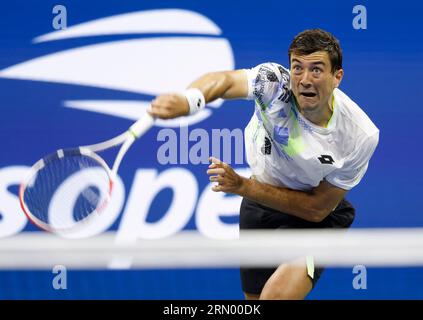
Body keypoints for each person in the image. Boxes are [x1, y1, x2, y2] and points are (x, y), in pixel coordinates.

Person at [147, 29, 379, 300]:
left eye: (316, 70)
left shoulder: (359, 135)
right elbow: (224, 81)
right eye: (297, 68)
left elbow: (316, 209)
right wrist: (191, 100)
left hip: (315, 216)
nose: (304, 80)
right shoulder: (274, 83)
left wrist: (243, 186)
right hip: (261, 204)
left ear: (337, 77)